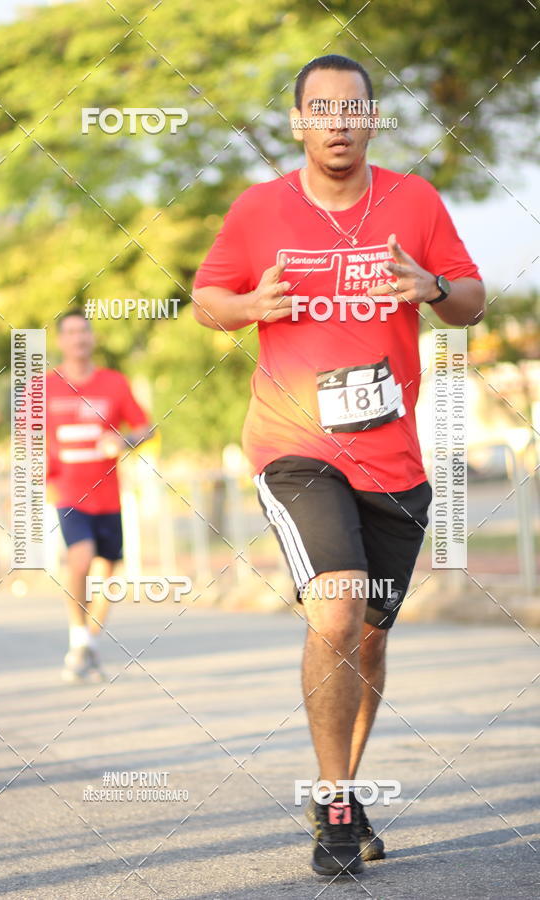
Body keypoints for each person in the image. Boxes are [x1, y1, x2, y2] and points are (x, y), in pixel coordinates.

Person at [193, 54, 484, 877]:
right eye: (320, 108)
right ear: (298, 122)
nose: (337, 122)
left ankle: (342, 796)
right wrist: (249, 307)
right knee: (337, 609)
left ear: (371, 117)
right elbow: (206, 299)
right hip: (295, 446)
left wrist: (429, 286)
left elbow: (471, 298)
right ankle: (333, 810)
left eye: (352, 108)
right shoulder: (260, 210)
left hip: (392, 456)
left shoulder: (414, 200)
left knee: (371, 638)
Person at [46, 310, 153, 683]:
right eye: (70, 333)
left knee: (107, 573)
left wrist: (125, 440)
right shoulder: (44, 388)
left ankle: (85, 645)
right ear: (60, 341)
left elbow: (146, 428)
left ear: (92, 338)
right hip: (69, 494)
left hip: (109, 495)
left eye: (84, 331)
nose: (78, 339)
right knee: (81, 558)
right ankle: (78, 635)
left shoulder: (114, 383)